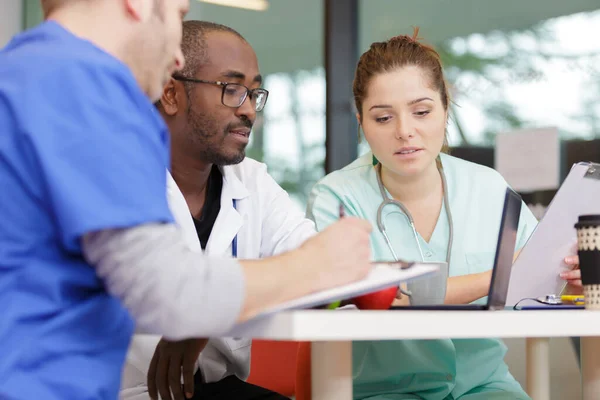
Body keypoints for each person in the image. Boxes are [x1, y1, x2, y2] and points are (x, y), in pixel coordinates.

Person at [0, 1, 373, 399]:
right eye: (177, 15)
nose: (175, 55)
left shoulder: (23, 73)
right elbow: (169, 292)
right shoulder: (83, 83)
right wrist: (316, 263)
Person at [306, 29, 580, 399]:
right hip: (385, 391)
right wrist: (501, 275)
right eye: (383, 118)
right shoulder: (337, 197)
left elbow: (540, 278)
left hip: (483, 386)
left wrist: (571, 277)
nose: (405, 131)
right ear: (361, 122)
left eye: (421, 112)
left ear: (445, 109)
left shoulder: (487, 187)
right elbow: (374, 297)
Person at [120, 20, 315, 400]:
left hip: (216, 389)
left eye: (254, 94)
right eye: (232, 89)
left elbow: (314, 264)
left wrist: (208, 317)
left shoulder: (252, 181)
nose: (249, 111)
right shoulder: (111, 178)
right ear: (170, 93)